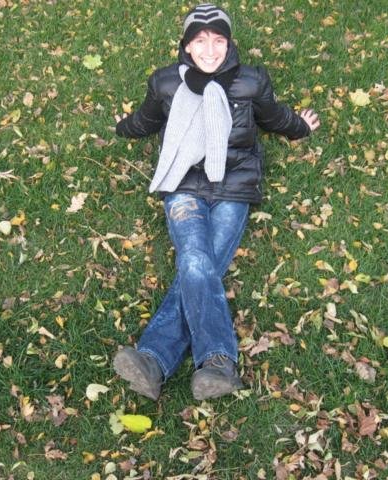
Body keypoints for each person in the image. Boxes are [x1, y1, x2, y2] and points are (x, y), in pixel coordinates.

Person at [112, 3, 320, 401]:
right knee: (195, 260)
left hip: (233, 185)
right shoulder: (166, 82)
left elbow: (273, 117)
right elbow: (146, 120)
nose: (210, 51)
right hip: (183, 184)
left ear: (229, 43)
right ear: (187, 46)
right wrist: (122, 127)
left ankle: (153, 361)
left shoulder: (251, 81)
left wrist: (300, 126)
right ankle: (218, 361)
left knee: (199, 266)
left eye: (219, 40)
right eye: (201, 41)